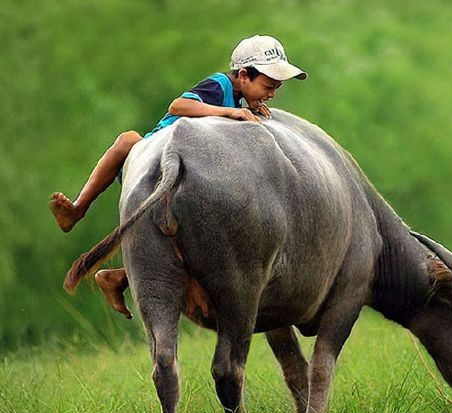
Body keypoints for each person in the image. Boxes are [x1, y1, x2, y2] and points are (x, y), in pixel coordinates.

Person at [50, 35, 306, 317]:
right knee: (127, 139)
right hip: (156, 161)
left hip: (190, 174)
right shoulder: (220, 86)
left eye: (276, 88)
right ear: (244, 75)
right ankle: (77, 210)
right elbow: (178, 107)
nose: (271, 94)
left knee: (182, 244)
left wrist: (247, 111)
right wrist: (231, 113)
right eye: (268, 86)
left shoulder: (244, 101)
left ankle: (118, 278)